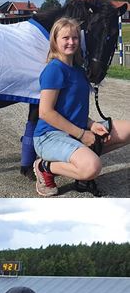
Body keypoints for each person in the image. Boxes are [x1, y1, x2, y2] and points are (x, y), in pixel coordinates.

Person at [33, 17, 130, 196]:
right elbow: (45, 113)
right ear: (55, 40)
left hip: (76, 130)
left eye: (75, 38)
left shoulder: (78, 70)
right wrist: (82, 134)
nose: (71, 42)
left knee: (128, 130)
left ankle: (82, 156)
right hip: (49, 136)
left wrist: (92, 124)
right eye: (66, 38)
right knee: (92, 168)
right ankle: (45, 166)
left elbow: (72, 110)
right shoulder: (55, 69)